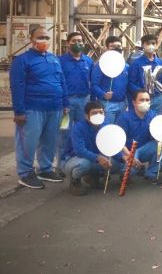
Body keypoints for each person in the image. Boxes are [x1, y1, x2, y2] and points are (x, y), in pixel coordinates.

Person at [10, 26, 67, 188]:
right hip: (32, 108)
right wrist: (19, 111)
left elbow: (61, 82)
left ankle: (45, 169)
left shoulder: (54, 59)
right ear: (31, 39)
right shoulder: (22, 60)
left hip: (54, 107)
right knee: (28, 142)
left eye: (47, 38)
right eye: (40, 37)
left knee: (50, 141)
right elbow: (17, 86)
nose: (44, 40)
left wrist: (65, 104)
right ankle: (25, 173)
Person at [61, 101, 123, 195]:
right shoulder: (78, 128)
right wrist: (98, 158)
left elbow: (111, 146)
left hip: (94, 159)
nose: (98, 115)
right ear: (86, 116)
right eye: (94, 113)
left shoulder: (106, 126)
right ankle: (75, 181)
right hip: (73, 159)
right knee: (84, 164)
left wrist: (123, 158)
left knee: (117, 164)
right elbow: (80, 151)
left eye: (101, 112)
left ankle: (93, 177)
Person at [58, 32, 93, 175]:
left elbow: (92, 81)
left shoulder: (88, 61)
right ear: (68, 43)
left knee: (83, 132)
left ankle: (80, 161)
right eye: (74, 41)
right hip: (67, 102)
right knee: (64, 134)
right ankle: (61, 165)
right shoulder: (60, 61)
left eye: (80, 40)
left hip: (84, 101)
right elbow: (58, 82)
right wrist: (63, 103)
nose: (77, 43)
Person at [115, 89, 162, 184]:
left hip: (144, 149)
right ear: (134, 102)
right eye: (141, 100)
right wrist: (130, 156)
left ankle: (151, 173)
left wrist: (158, 134)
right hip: (129, 151)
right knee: (129, 171)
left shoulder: (152, 115)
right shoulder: (124, 117)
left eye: (147, 100)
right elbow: (118, 141)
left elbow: (158, 137)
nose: (145, 102)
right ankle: (126, 172)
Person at [128, 34, 162, 113]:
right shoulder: (136, 64)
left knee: (157, 120)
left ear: (156, 45)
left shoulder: (161, 63)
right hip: (143, 99)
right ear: (143, 45)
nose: (151, 46)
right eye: (148, 43)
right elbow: (131, 83)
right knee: (143, 119)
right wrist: (142, 92)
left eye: (153, 43)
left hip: (158, 98)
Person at [91, 36, 129, 124]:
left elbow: (128, 85)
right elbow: (94, 85)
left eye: (119, 46)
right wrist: (103, 94)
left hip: (123, 104)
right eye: (113, 46)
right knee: (106, 128)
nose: (116, 48)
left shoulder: (126, 66)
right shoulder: (100, 66)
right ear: (107, 48)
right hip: (107, 104)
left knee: (120, 129)